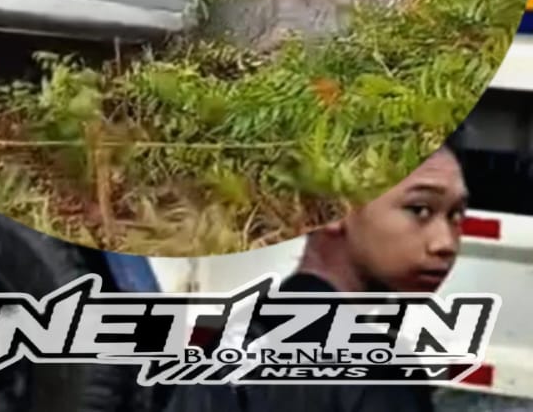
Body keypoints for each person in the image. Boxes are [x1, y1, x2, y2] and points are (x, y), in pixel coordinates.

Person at [162, 138, 469, 412]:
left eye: (456, 214)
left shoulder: (233, 340)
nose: (445, 242)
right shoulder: (377, 374)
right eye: (420, 209)